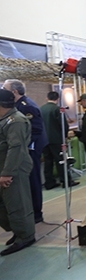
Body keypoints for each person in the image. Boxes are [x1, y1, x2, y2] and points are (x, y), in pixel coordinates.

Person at [3, 79, 48, 224]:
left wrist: (24, 148)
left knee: (32, 180)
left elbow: (35, 130)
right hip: (24, 149)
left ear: (14, 92)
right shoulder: (15, 106)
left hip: (30, 150)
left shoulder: (26, 106)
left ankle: (36, 213)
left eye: (4, 88)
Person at [0, 89, 36, 256]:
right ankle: (17, 230)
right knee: (6, 204)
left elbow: (16, 148)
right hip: (5, 167)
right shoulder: (5, 120)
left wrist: (7, 173)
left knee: (18, 203)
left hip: (14, 168)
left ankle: (26, 236)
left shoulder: (15, 121)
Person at [40, 91, 78, 189]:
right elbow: (63, 125)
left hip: (44, 139)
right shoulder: (58, 109)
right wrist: (65, 136)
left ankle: (49, 182)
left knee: (48, 162)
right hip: (56, 139)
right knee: (61, 160)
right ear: (57, 99)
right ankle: (66, 181)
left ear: (46, 98)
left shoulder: (41, 109)